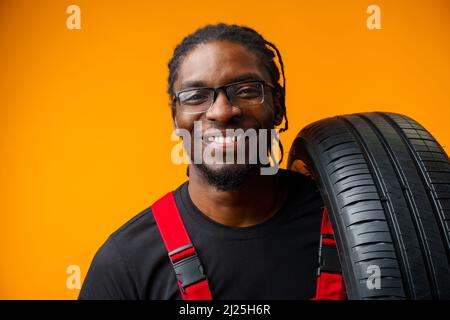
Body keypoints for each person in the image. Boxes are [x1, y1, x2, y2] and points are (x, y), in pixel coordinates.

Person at [79, 23, 329, 300]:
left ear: (278, 105)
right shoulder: (125, 264)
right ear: (176, 117)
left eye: (246, 90)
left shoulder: (350, 219)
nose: (222, 112)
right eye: (196, 96)